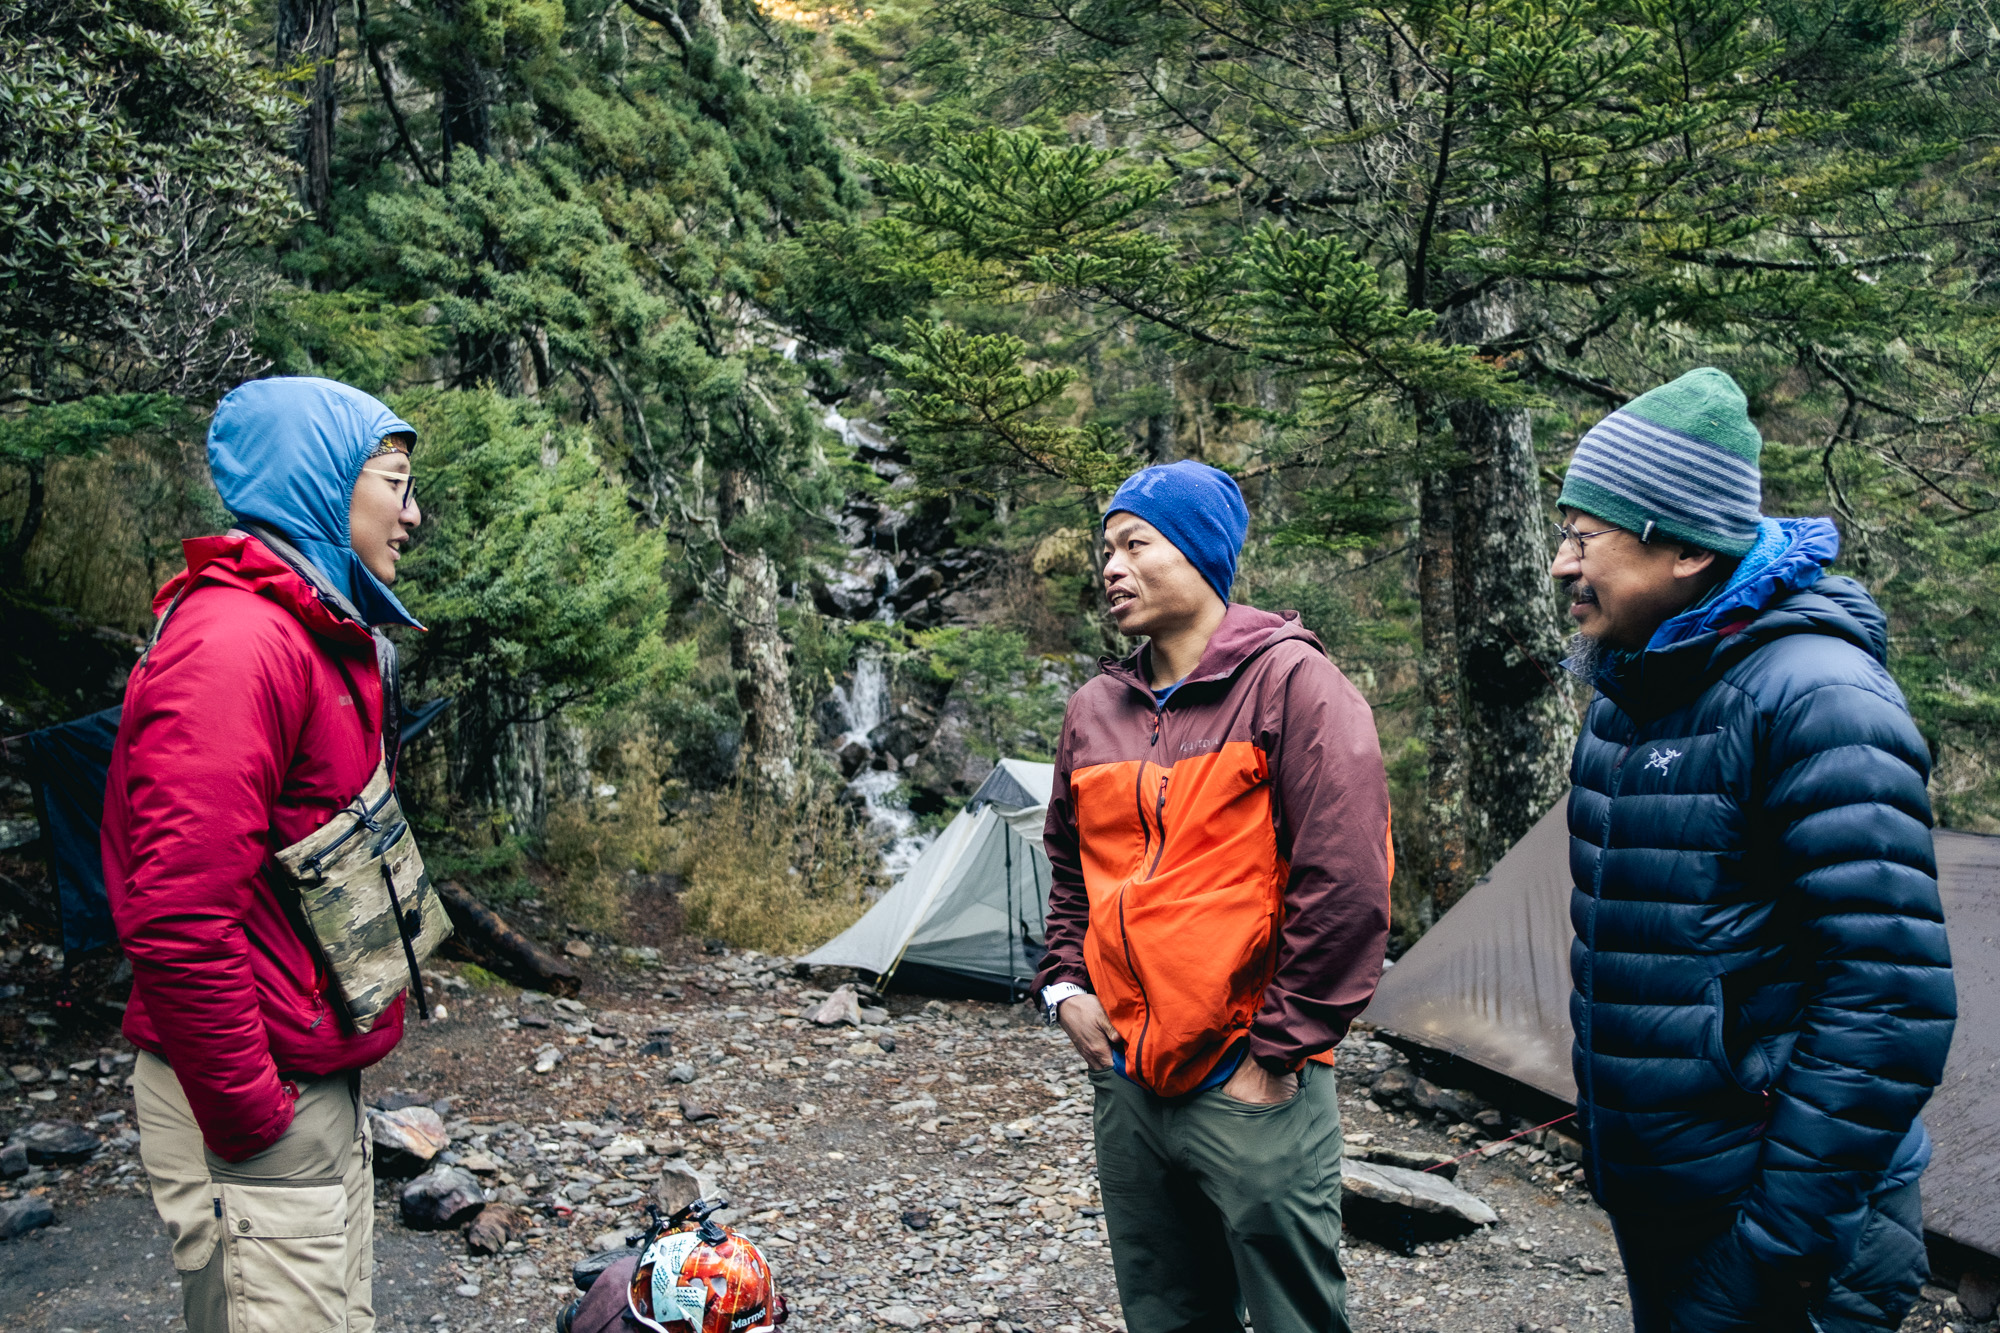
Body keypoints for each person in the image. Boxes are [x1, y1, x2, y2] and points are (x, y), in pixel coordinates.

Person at [1552, 368, 1957, 1333]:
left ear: (1687, 545)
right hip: (1676, 1195)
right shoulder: (1633, 696)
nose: (1563, 564)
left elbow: (1891, 995)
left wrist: (1780, 1238)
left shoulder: (1818, 698)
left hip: (1786, 1224)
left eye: (1585, 537)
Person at [1036, 460, 1392, 1333]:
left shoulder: (1293, 686)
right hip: (1127, 1076)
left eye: (1135, 544)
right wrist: (1065, 987)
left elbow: (1347, 881)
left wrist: (1280, 1048)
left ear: (1200, 554)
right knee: (1165, 1313)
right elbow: (1069, 866)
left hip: (1251, 1074)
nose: (1110, 567)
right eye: (1104, 548)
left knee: (1293, 1317)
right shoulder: (1095, 708)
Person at [105, 377, 426, 1333]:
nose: (412, 514)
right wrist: (253, 1110)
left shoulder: (314, 631)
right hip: (263, 1094)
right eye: (397, 482)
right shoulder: (238, 644)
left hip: (306, 1078)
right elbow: (175, 913)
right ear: (323, 483)